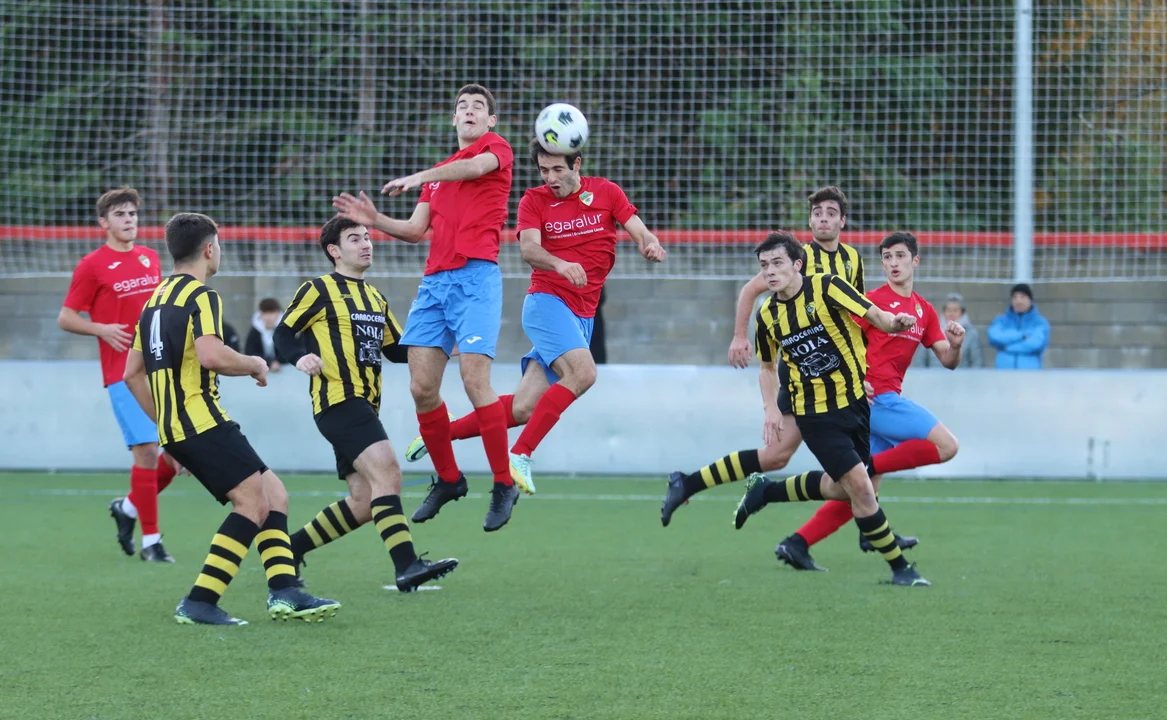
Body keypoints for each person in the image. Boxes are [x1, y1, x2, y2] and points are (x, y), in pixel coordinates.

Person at [402, 139, 666, 493]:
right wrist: (560, 263)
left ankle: (441, 432)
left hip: (582, 315)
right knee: (583, 373)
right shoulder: (534, 200)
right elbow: (528, 249)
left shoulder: (606, 192)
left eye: (557, 169)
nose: (550, 178)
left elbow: (639, 230)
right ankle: (521, 454)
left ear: (576, 165)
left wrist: (650, 243)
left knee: (524, 408)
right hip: (547, 303)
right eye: (544, 170)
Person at [122, 212, 341, 625]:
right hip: (202, 420)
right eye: (219, 245)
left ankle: (285, 591)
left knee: (274, 494)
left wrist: (168, 431)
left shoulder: (153, 301)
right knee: (252, 502)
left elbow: (131, 374)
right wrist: (256, 362)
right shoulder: (201, 296)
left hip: (182, 426)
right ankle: (200, 600)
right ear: (209, 249)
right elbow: (212, 356)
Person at [333, 84, 520, 532]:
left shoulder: (495, 150)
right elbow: (417, 230)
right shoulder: (438, 177)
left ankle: (503, 483)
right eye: (462, 106)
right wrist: (375, 220)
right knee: (421, 388)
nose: (469, 111)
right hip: (436, 283)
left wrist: (419, 176)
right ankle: (450, 479)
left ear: (490, 121)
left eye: (478, 107)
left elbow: (472, 167)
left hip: (476, 278)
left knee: (475, 381)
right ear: (453, 119)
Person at [722, 232, 929, 586]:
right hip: (815, 413)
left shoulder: (829, 286)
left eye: (777, 263)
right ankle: (901, 569)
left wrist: (894, 323)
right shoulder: (768, 315)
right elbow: (767, 368)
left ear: (797, 264)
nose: (769, 271)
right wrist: (771, 408)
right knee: (863, 489)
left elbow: (873, 314)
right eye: (764, 265)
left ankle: (765, 491)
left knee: (842, 489)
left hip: (856, 404)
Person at [760, 232, 964, 571]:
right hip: (872, 399)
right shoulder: (870, 301)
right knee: (947, 446)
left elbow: (948, 360)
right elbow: (832, 337)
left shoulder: (924, 310)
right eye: (887, 257)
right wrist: (854, 378)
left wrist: (955, 345)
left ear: (915, 261)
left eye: (900, 256)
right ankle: (867, 470)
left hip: (885, 401)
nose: (893, 263)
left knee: (856, 491)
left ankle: (797, 543)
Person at [273, 217, 458, 591]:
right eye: (355, 239)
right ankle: (406, 566)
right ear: (335, 250)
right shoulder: (318, 289)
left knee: (363, 501)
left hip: (364, 405)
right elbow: (283, 332)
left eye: (367, 237)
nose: (366, 244)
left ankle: (290, 550)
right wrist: (299, 357)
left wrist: (442, 345)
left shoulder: (375, 297)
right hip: (339, 400)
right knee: (388, 474)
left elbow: (396, 350)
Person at [662, 186, 863, 526]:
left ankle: (696, 483)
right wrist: (740, 336)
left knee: (778, 457)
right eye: (817, 213)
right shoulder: (798, 258)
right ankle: (862, 532)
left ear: (843, 220)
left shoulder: (852, 259)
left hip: (843, 375)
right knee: (848, 468)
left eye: (831, 213)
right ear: (810, 220)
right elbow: (750, 290)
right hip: (803, 375)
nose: (823, 219)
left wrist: (864, 368)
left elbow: (859, 316)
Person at [58, 186, 177, 562]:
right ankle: (151, 542)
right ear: (103, 222)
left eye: (132, 214)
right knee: (147, 450)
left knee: (178, 456)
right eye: (120, 215)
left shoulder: (149, 257)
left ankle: (127, 508)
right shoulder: (92, 265)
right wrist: (102, 329)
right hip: (122, 373)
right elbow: (66, 316)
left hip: (160, 368)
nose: (129, 220)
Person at [988, 283, 1050, 369]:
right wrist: (1022, 336)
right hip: (1003, 373)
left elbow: (1035, 344)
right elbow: (995, 337)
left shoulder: (1040, 323)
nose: (1018, 301)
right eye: (1015, 297)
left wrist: (1006, 347)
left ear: (1030, 300)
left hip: (1030, 373)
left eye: (1022, 297)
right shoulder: (1000, 321)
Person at [917, 293, 982, 368]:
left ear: (962, 313)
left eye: (955, 310)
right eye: (948, 310)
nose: (951, 313)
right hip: (933, 374)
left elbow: (977, 362)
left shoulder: (971, 333)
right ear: (943, 312)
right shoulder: (931, 330)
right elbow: (920, 360)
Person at [244, 297, 285, 369]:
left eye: (272, 313)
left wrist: (278, 361)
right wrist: (269, 362)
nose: (268, 317)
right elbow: (250, 352)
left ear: (278, 313)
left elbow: (289, 350)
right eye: (265, 313)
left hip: (285, 367)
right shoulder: (255, 329)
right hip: (260, 367)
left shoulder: (284, 329)